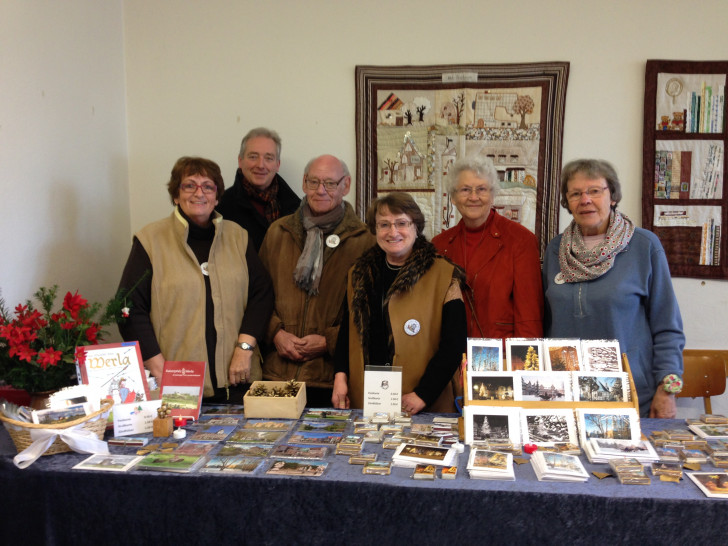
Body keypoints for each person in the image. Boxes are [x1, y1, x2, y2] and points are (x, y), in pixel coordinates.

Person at [118, 156, 274, 402]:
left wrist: (245, 349)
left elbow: (262, 294)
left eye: (208, 186)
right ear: (176, 195)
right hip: (178, 385)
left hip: (238, 381)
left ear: (217, 196)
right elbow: (126, 306)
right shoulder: (150, 240)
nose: (199, 193)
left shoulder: (238, 236)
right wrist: (157, 365)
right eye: (189, 185)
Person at [543, 159, 685, 418]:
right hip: (564, 393)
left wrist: (668, 390)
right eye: (575, 193)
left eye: (595, 190)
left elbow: (668, 326)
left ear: (613, 196)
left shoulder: (644, 246)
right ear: (567, 201)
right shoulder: (555, 249)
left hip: (630, 395)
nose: (585, 200)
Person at [333, 192, 467, 414]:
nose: (393, 232)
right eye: (384, 224)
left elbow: (453, 345)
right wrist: (340, 376)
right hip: (367, 398)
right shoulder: (358, 274)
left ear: (416, 226)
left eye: (401, 223)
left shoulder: (444, 275)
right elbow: (346, 334)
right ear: (375, 229)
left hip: (423, 402)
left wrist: (423, 394)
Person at [258, 154, 375, 407]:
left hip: (330, 380)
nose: (321, 190)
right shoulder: (278, 233)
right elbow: (257, 295)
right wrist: (276, 333)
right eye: (314, 182)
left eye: (330, 183)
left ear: (346, 185)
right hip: (275, 375)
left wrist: (329, 341)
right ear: (303, 183)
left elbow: (368, 310)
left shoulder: (365, 241)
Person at [432, 156, 543, 339]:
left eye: (481, 189)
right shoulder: (439, 245)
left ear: (493, 195)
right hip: (452, 357)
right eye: (465, 189)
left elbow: (529, 316)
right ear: (453, 197)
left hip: (502, 357)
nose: (473, 197)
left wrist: (523, 362)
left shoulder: (521, 240)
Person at [216, 127, 300, 251]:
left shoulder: (297, 209)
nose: (260, 165)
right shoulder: (220, 207)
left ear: (277, 165)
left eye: (269, 158)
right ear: (240, 161)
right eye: (253, 157)